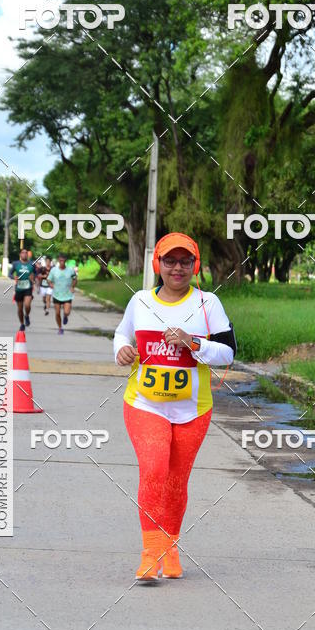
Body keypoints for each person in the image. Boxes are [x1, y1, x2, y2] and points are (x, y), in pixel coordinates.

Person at [114, 232, 236, 581]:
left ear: (195, 265)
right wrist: (120, 350)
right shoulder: (140, 300)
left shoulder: (208, 304)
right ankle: (150, 554)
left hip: (193, 410)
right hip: (144, 404)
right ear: (158, 264)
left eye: (185, 261)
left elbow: (228, 353)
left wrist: (192, 342)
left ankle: (170, 547)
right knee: (154, 470)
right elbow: (122, 334)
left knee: (176, 482)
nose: (177, 268)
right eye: (170, 260)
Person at [48, 252, 76, 335]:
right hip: (57, 294)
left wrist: (72, 287)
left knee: (67, 312)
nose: (62, 262)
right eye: (60, 261)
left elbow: (75, 279)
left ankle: (65, 316)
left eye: (63, 261)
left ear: (65, 261)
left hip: (67, 294)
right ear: (58, 260)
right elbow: (49, 279)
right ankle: (60, 328)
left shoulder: (70, 270)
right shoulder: (54, 270)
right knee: (57, 313)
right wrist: (51, 284)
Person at [10, 248, 35, 331]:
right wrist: (14, 277)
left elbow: (36, 273)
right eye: (23, 253)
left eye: (26, 253)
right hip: (19, 288)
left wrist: (33, 278)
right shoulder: (16, 264)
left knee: (27, 305)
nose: (24, 254)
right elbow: (9, 274)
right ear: (20, 254)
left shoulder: (31, 264)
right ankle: (22, 324)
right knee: (20, 309)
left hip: (28, 287)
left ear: (27, 254)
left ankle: (27, 316)